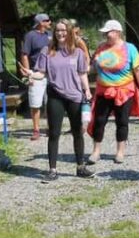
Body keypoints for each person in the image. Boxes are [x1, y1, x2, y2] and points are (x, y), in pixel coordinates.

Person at [33, 19, 96, 182]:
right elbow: (41, 72)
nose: (60, 33)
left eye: (63, 30)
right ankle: (52, 170)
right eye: (57, 30)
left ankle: (80, 167)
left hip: (75, 96)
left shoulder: (78, 53)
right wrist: (32, 75)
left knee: (78, 132)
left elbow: (82, 73)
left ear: (69, 32)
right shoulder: (47, 51)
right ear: (54, 33)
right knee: (54, 133)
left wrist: (87, 90)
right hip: (55, 96)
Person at [88, 19, 139, 164]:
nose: (106, 35)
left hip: (124, 91)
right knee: (99, 121)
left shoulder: (129, 48)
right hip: (103, 91)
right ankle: (96, 151)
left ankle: (120, 152)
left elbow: (138, 70)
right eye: (105, 33)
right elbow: (92, 67)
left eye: (109, 32)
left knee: (122, 121)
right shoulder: (101, 48)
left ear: (118, 32)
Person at [19, 13, 52, 141]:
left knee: (50, 102)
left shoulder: (49, 36)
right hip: (36, 73)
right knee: (35, 103)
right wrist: (28, 73)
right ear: (40, 23)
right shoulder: (30, 36)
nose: (50, 22)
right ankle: (36, 129)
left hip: (50, 74)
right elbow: (25, 54)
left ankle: (50, 127)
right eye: (47, 20)